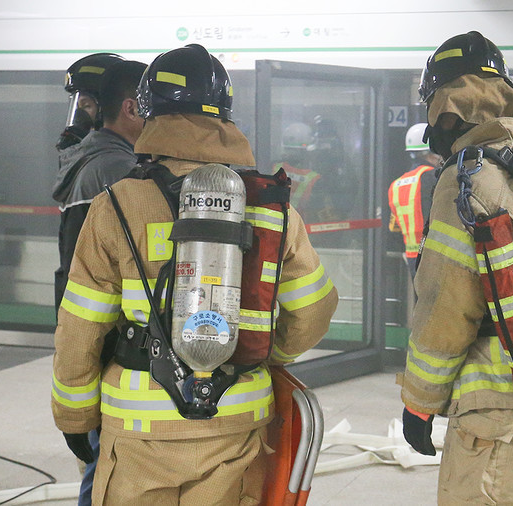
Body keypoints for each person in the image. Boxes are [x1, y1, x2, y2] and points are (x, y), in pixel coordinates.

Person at [51, 43, 338, 504]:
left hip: (139, 428)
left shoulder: (117, 204)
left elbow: (81, 327)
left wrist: (75, 417)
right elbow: (314, 309)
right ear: (223, 117)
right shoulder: (270, 207)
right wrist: (259, 349)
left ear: (149, 114)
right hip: (235, 422)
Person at [399, 31, 513, 504]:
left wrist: (420, 402)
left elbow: (447, 306)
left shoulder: (468, 180)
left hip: (502, 417)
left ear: (444, 108)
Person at [51, 57, 147, 506]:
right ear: (130, 108)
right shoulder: (117, 171)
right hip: (109, 343)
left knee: (100, 463)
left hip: (92, 339)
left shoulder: (95, 162)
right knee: (105, 469)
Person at [388, 123, 442, 277]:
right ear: (431, 153)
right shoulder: (433, 177)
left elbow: (394, 229)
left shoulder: (396, 185)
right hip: (435, 256)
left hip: (413, 258)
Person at [55, 53, 125, 151]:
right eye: (76, 107)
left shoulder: (119, 161)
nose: (78, 117)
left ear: (109, 108)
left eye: (86, 106)